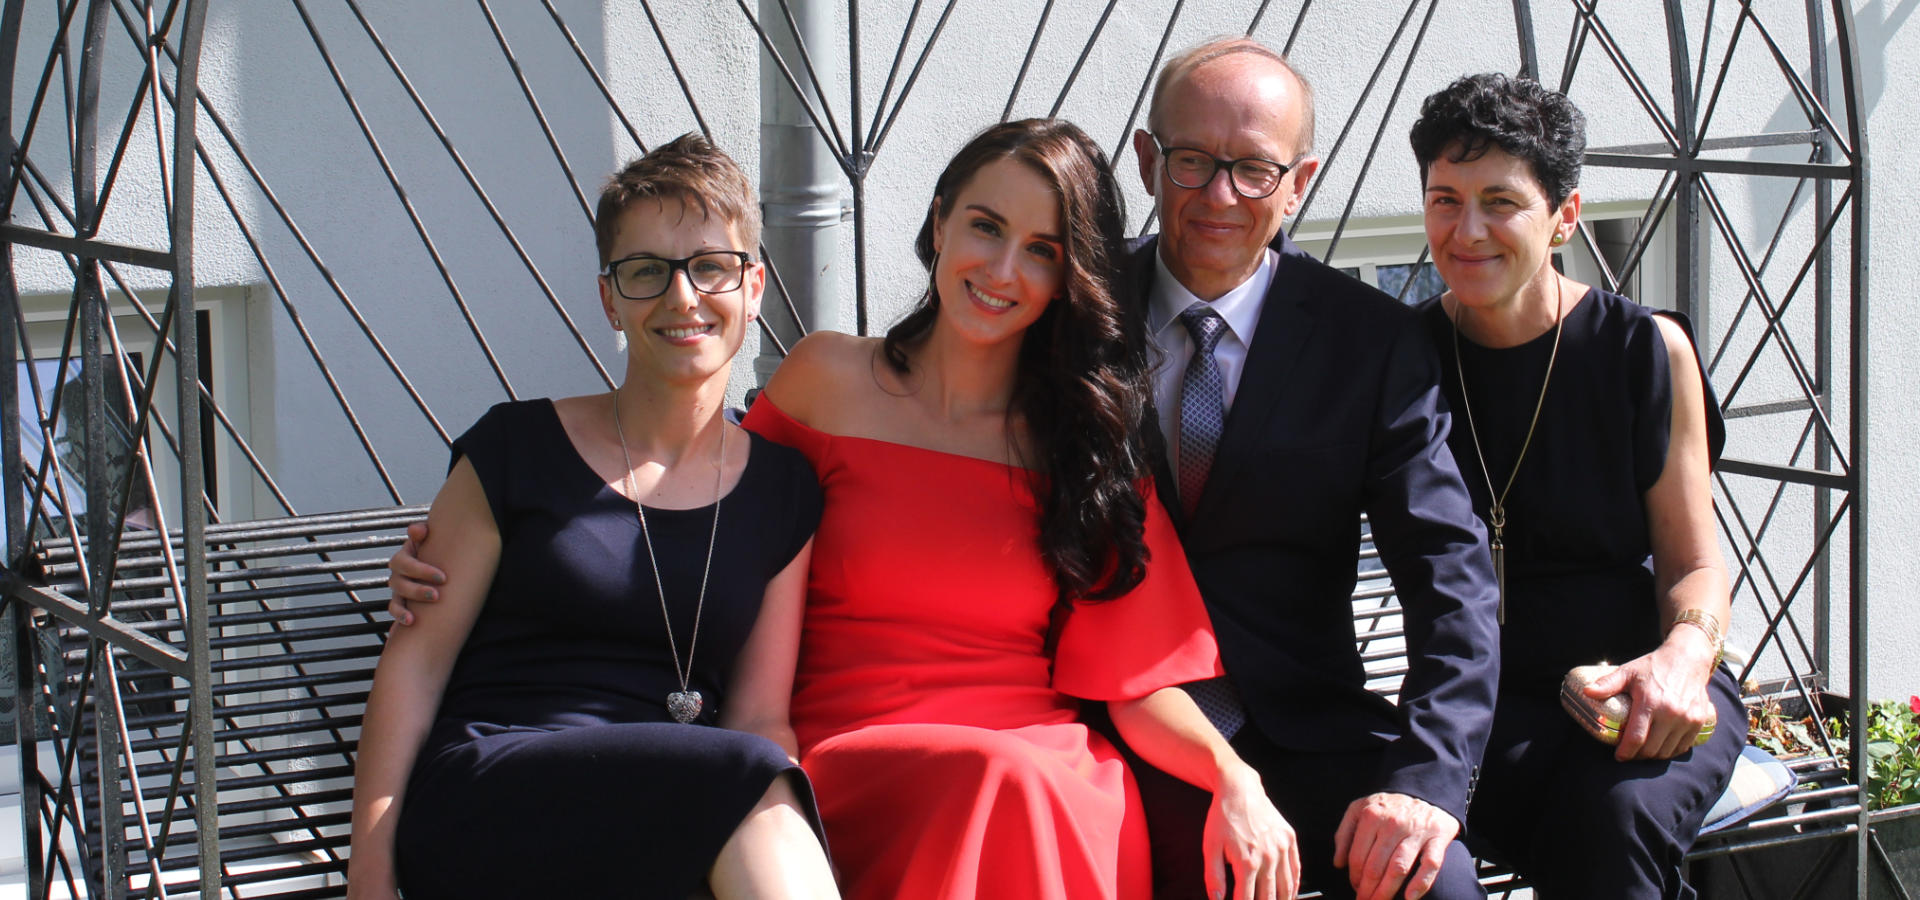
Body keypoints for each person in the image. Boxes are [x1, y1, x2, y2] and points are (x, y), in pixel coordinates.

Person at [394, 117, 1293, 900]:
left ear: (1067, 276)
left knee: (1036, 780)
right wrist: (481, 555)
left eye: (1042, 250)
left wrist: (1233, 776)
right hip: (849, 752)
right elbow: (705, 505)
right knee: (996, 777)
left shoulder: (1083, 443)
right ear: (939, 223)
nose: (1002, 268)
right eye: (985, 226)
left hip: (1042, 762)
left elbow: (1138, 679)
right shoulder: (825, 380)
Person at [346, 135, 838, 900]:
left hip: (669, 815)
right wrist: (370, 882)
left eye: (710, 266)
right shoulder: (514, 450)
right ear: (610, 298)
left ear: (754, 287)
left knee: (755, 773)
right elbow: (415, 668)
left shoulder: (782, 490)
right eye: (646, 271)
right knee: (747, 777)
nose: (683, 298)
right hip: (494, 792)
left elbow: (759, 716)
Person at [1117, 38, 1501, 900]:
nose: (1221, 195)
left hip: (1305, 733)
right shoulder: (1077, 316)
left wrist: (1426, 784)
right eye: (1192, 160)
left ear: (1299, 182)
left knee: (1434, 886)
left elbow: (1451, 577)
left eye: (1255, 169)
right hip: (1114, 731)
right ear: (1147, 160)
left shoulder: (1370, 343)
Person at [1409, 72, 1744, 899]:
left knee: (1616, 818)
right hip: (1478, 704)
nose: (1467, 230)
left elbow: (1696, 563)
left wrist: (1681, 660)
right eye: (1445, 200)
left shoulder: (1646, 351)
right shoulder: (1402, 361)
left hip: (1643, 685)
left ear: (1565, 216)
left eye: (1501, 202)